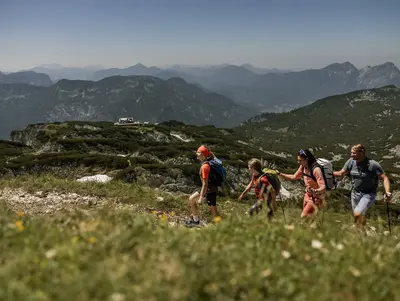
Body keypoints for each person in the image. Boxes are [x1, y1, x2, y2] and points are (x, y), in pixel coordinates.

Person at [333, 144, 392, 227]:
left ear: (361, 153)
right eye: (351, 153)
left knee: (357, 214)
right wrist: (327, 173)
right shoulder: (351, 162)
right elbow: (341, 173)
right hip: (355, 193)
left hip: (368, 194)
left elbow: (385, 178)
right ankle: (362, 233)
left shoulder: (373, 165)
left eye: (354, 153)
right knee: (359, 215)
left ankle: (360, 233)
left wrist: (388, 192)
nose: (351, 155)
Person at [278, 149, 326, 222]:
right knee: (309, 221)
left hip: (316, 198)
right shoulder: (303, 167)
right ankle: (314, 231)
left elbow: (323, 187)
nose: (298, 162)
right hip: (307, 195)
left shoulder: (316, 170)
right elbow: (294, 177)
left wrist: (315, 191)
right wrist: (280, 174)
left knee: (303, 218)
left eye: (300, 160)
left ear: (307, 159)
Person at [185, 145, 221, 227]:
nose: (197, 155)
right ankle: (196, 220)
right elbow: (213, 156)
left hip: (209, 190)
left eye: (198, 153)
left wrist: (201, 197)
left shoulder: (205, 167)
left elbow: (205, 184)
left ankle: (196, 221)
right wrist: (209, 152)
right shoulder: (211, 160)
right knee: (213, 209)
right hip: (212, 188)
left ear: (203, 155)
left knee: (213, 210)